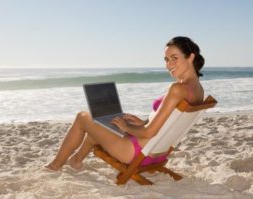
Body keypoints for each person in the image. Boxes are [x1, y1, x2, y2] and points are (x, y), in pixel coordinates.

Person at [46, 36, 205, 170]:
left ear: (190, 57)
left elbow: (149, 133)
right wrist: (143, 122)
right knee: (100, 124)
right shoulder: (197, 89)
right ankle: (76, 160)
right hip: (157, 153)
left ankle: (55, 165)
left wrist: (127, 127)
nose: (169, 64)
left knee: (82, 116)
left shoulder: (177, 89)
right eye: (166, 59)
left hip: (137, 152)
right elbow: (171, 122)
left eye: (174, 58)